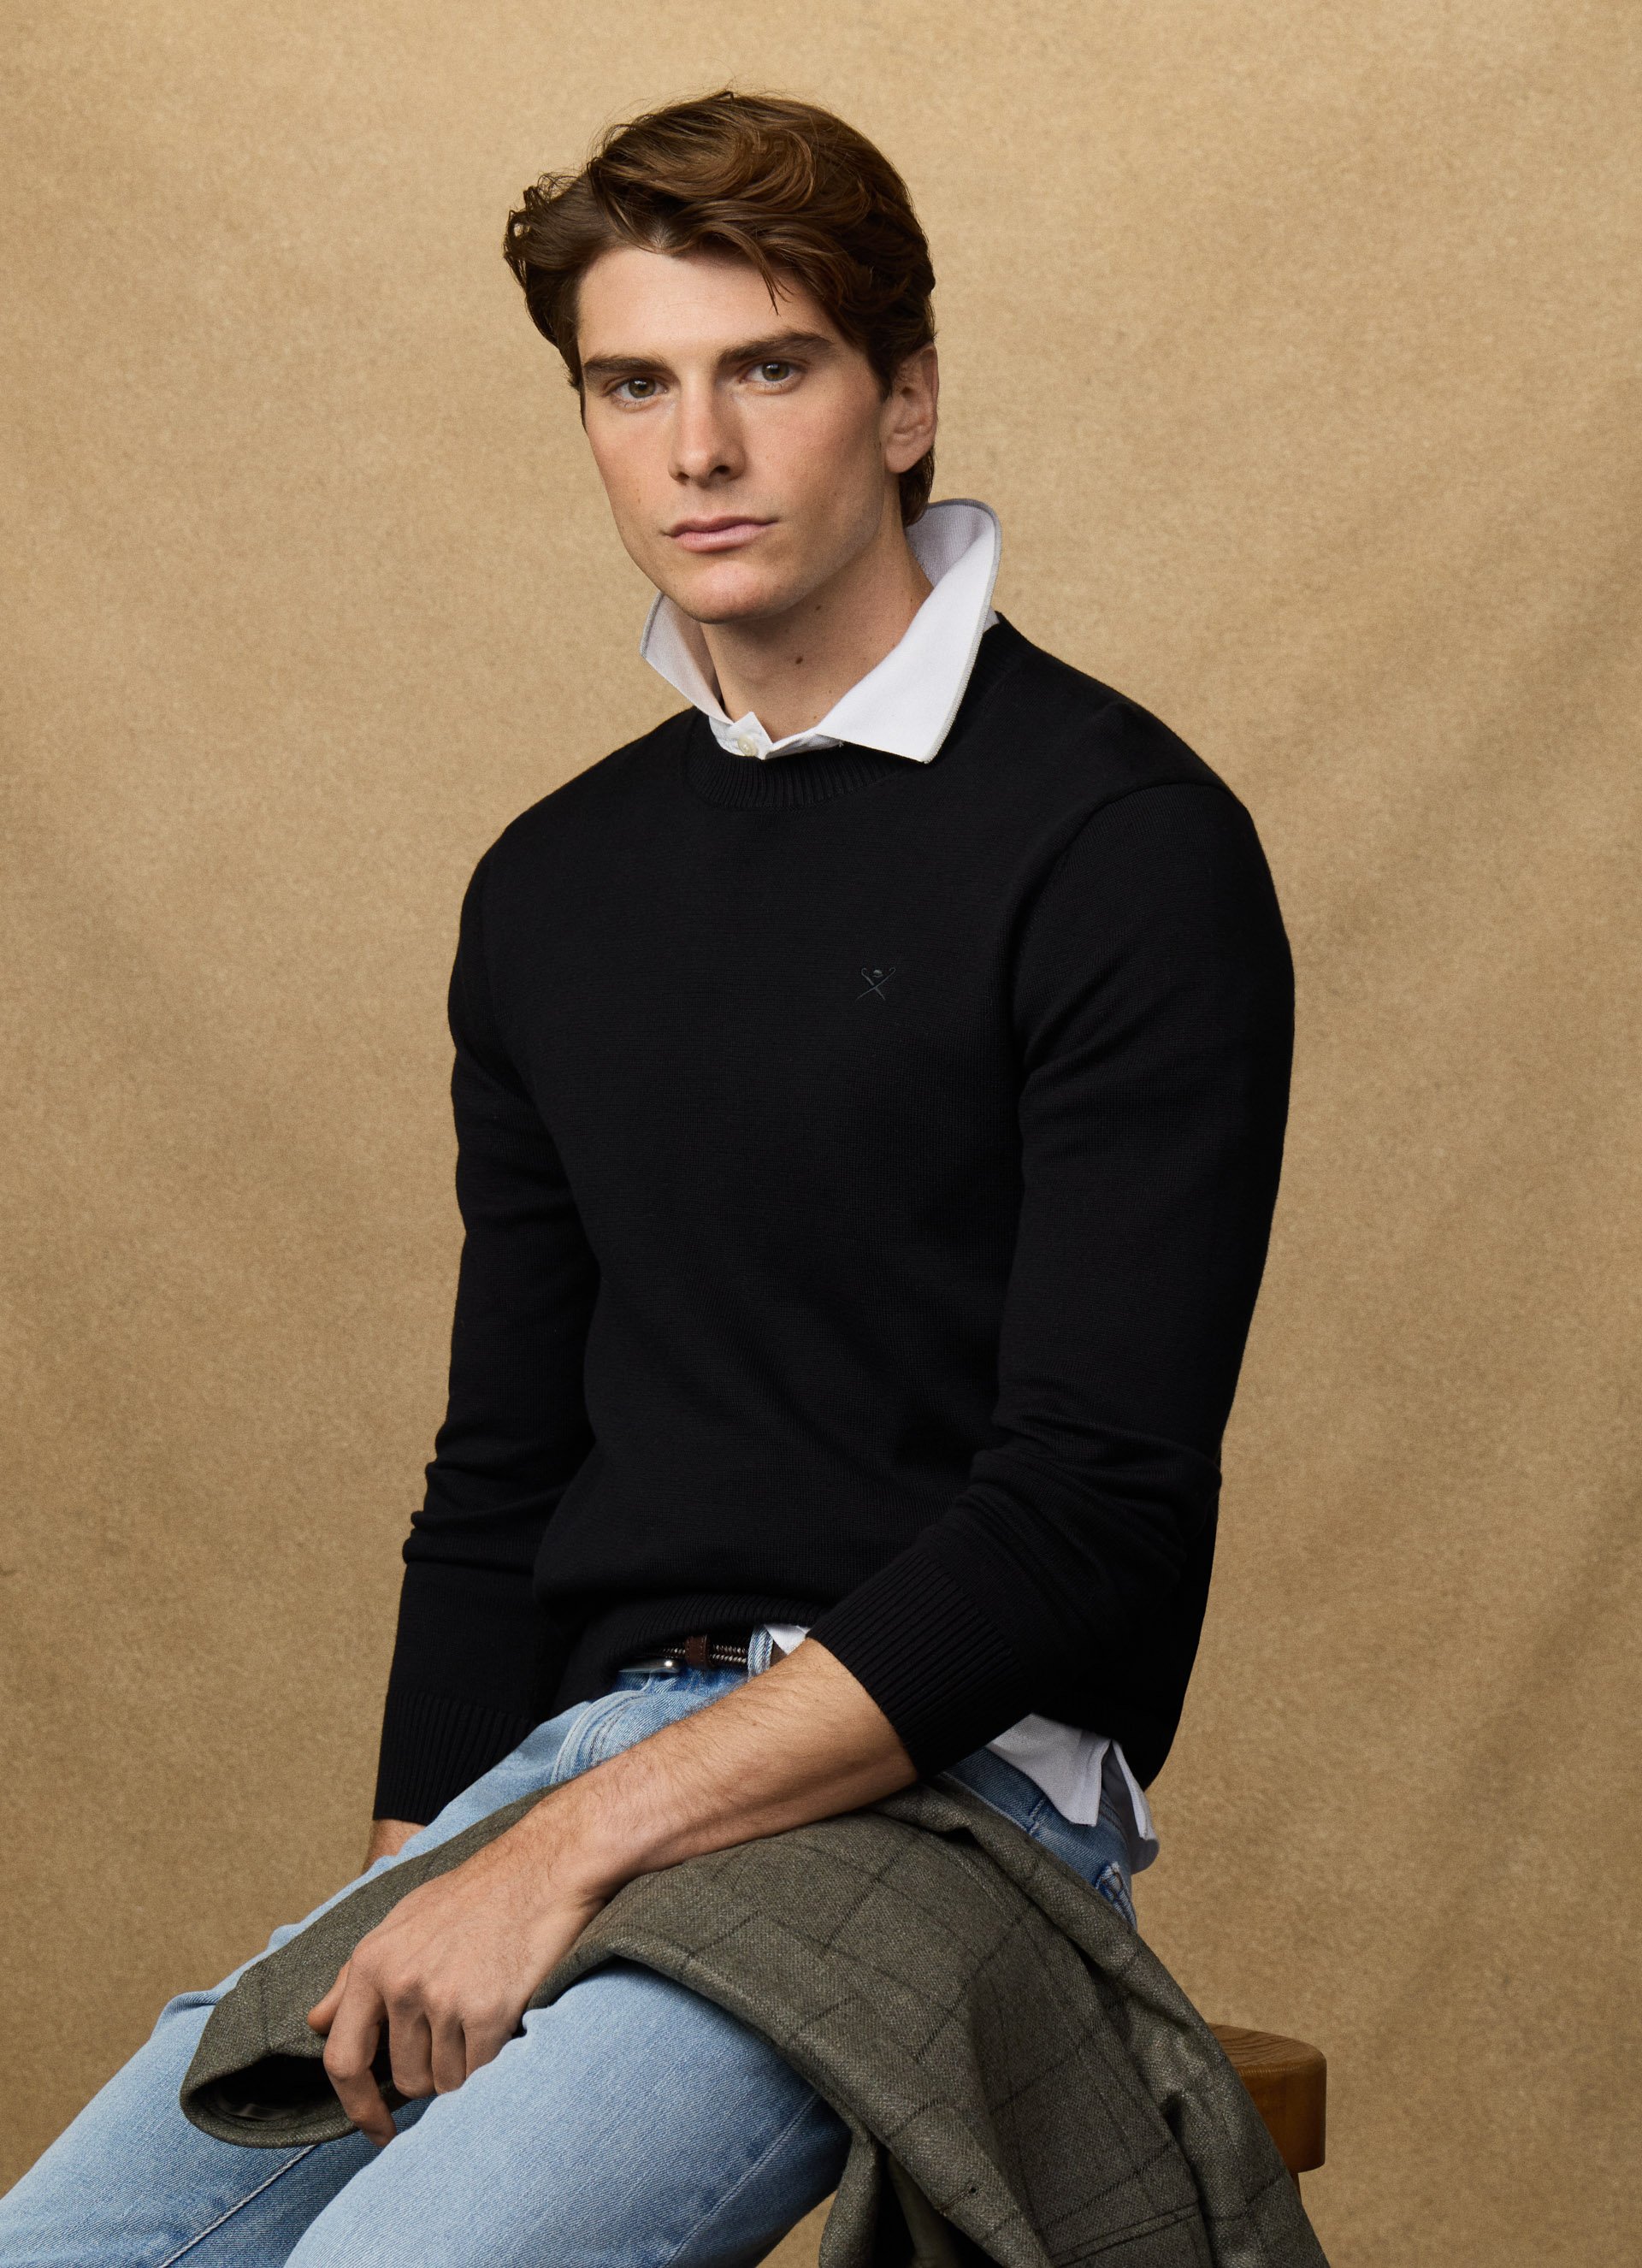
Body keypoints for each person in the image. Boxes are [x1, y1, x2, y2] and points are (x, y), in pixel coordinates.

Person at [0, 87, 1294, 2265]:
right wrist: (420, 1890)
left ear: (904, 401)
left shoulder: (1123, 846)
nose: (698, 449)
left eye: (768, 368)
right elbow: (504, 1471)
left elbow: (1091, 1518)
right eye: (633, 384)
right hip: (586, 1757)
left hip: (943, 1792)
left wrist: (561, 1854)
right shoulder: (553, 887)